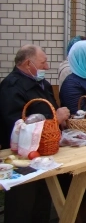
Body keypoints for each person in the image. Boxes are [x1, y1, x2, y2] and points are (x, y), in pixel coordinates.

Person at [0, 45, 70, 223]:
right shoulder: (10, 87)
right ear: (27, 64)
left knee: (42, 203)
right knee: (22, 207)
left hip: (45, 154)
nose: (47, 67)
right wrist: (53, 119)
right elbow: (15, 125)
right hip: (22, 158)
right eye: (43, 62)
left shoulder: (42, 84)